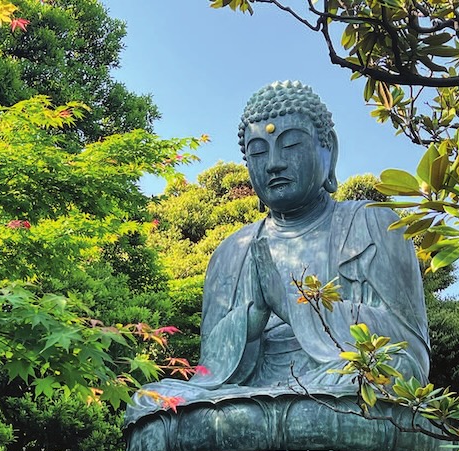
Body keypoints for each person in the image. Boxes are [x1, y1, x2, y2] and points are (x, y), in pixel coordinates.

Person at [123, 80, 429, 426]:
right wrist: (250, 320)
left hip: (340, 385)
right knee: (150, 403)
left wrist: (288, 304)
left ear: (329, 151)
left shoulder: (373, 225)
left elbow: (409, 355)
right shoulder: (232, 252)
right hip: (248, 395)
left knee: (372, 381)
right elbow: (209, 371)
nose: (273, 164)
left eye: (291, 145)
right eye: (258, 152)